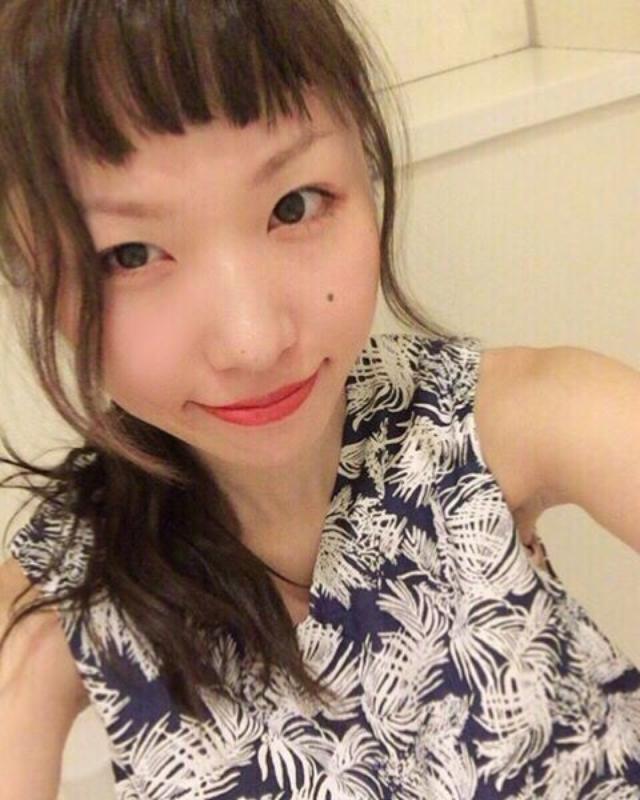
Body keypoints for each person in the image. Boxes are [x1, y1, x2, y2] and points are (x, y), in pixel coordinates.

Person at [0, 0, 638, 797]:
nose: (253, 342)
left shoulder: (511, 424)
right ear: (32, 274)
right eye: (129, 254)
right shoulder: (56, 609)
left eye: (294, 205)